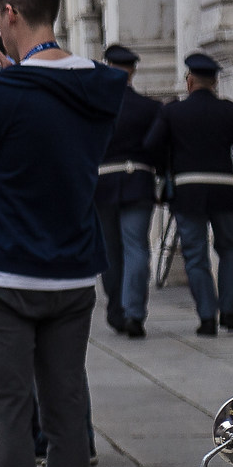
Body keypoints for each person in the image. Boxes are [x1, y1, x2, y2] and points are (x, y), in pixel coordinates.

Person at [0, 0, 124, 467]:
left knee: (9, 418)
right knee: (66, 413)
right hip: (72, 270)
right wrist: (11, 75)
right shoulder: (100, 83)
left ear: (9, 13)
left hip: (3, 270)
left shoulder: (0, 92)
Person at [147, 52, 233, 336]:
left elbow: (151, 145)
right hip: (223, 188)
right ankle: (229, 312)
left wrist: (167, 169)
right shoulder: (232, 111)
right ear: (215, 82)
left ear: (189, 81)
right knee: (229, 249)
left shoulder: (172, 112)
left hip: (187, 189)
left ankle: (206, 316)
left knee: (195, 254)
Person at [96, 44, 162, 337]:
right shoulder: (150, 108)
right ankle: (134, 312)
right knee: (136, 248)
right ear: (133, 71)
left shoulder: (94, 108)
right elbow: (157, 147)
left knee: (110, 251)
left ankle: (116, 309)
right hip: (139, 182)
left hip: (103, 185)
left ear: (107, 67)